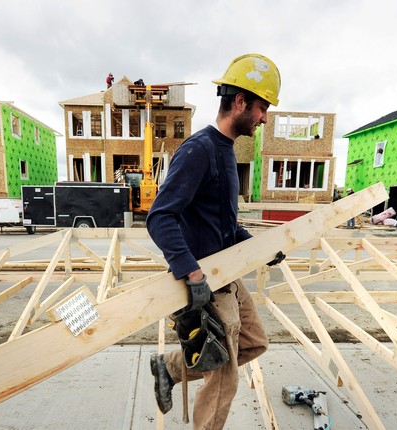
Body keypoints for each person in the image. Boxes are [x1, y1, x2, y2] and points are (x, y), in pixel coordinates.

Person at [146, 53, 283, 430]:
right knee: (223, 381)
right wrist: (191, 275)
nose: (264, 118)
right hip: (208, 283)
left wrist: (259, 247)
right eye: (262, 108)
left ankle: (170, 367)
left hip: (229, 277)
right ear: (239, 102)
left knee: (253, 343)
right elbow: (160, 218)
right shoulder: (199, 150)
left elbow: (225, 225)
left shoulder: (226, 153)